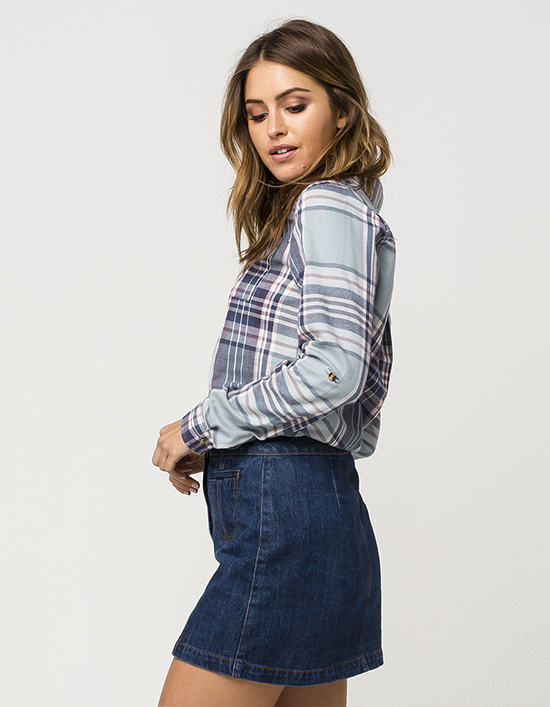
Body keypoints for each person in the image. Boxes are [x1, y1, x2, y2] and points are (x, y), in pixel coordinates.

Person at [152, 18, 396, 707]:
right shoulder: (324, 211)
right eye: (257, 114)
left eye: (295, 105)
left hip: (289, 513)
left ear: (342, 112)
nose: (274, 130)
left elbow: (333, 368)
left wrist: (200, 426)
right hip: (313, 506)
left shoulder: (326, 202)